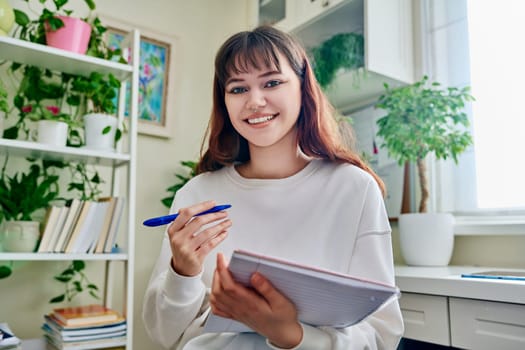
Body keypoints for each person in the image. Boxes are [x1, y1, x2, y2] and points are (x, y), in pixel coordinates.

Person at [143, 25, 403, 350]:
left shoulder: (354, 188)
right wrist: (182, 272)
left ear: (303, 87)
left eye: (272, 82)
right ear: (224, 101)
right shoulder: (196, 194)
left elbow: (382, 337)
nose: (255, 101)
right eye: (238, 89)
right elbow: (165, 336)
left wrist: (290, 334)